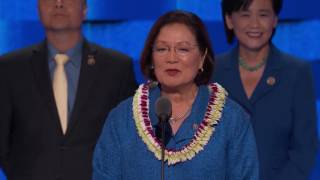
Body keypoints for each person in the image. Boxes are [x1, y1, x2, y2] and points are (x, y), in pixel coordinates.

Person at [92, 10, 259, 180]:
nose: (171, 58)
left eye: (183, 49)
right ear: (152, 58)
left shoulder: (231, 119)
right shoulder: (122, 118)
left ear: (202, 58)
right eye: (162, 49)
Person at [0, 0, 137, 179]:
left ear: (85, 9)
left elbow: (128, 140)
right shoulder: (10, 68)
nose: (58, 3)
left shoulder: (117, 67)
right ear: (38, 8)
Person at [212, 0, 318, 179]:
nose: (254, 24)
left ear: (275, 19)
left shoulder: (297, 73)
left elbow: (305, 150)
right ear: (229, 20)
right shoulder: (211, 72)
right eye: (245, 14)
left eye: (263, 14)